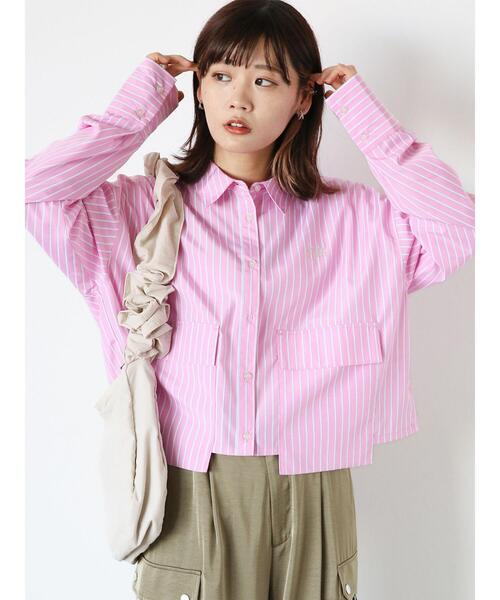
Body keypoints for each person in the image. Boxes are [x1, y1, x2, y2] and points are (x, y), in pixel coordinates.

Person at [25, 0, 475, 598]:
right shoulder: (138, 212)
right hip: (188, 483)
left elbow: (455, 228)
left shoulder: (357, 220)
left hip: (314, 484)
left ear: (303, 98)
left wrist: (362, 113)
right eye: (221, 75)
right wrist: (141, 101)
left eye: (264, 81)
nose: (239, 99)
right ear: (199, 89)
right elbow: (35, 193)